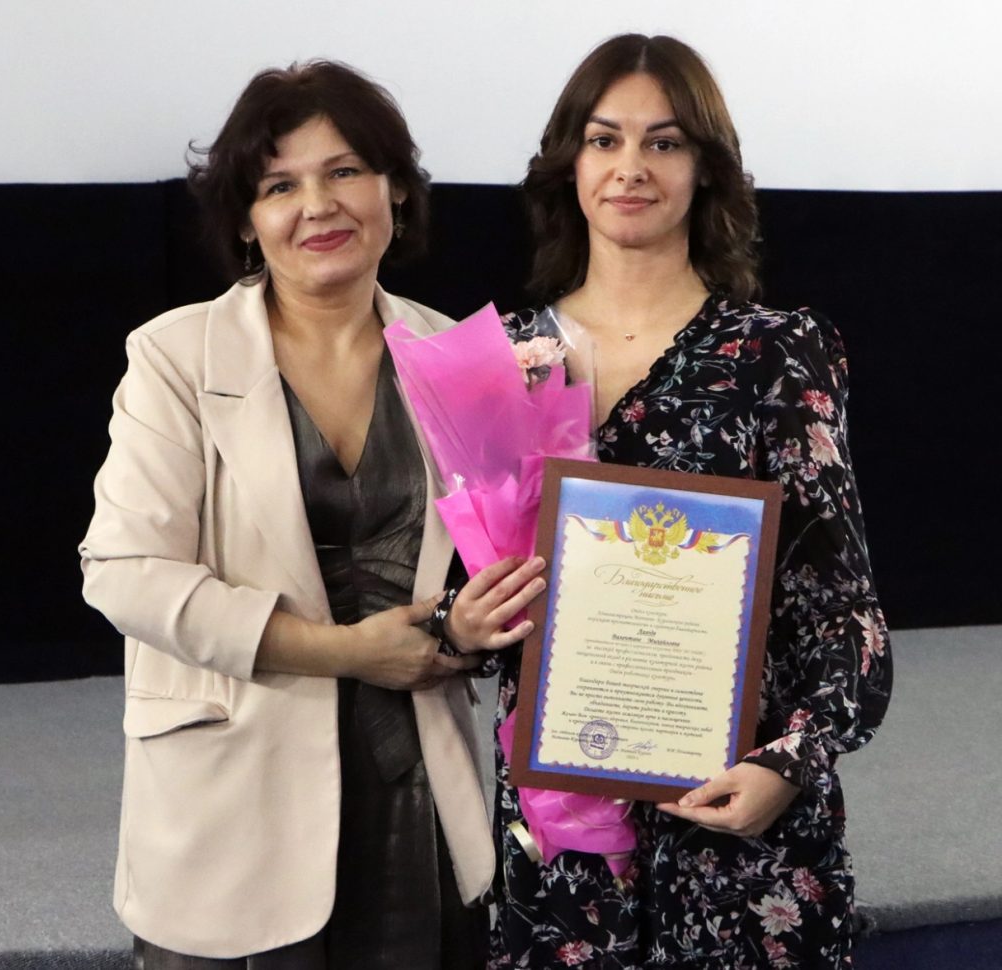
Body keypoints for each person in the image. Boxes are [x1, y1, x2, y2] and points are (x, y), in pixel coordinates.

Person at [79, 60, 545, 969]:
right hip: (232, 794)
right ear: (246, 220)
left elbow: (493, 567)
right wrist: (345, 651)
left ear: (395, 188)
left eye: (345, 171)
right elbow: (126, 574)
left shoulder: (464, 353)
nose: (318, 205)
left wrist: (470, 624)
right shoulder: (173, 356)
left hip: (417, 792)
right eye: (279, 186)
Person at [488, 34, 892, 969]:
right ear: (569, 163)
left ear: (706, 167)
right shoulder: (507, 360)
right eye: (604, 140)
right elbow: (477, 591)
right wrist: (463, 623)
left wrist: (789, 763)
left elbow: (844, 613)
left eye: (664, 142)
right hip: (564, 846)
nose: (631, 167)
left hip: (737, 831)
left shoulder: (777, 352)